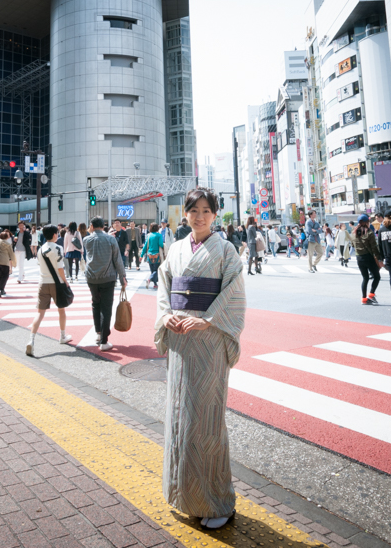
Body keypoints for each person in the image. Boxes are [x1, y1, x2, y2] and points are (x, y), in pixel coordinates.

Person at [154, 187, 245, 530]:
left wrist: (206, 320)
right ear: (185, 213)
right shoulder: (176, 248)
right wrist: (166, 316)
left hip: (208, 340)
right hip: (180, 341)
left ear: (215, 214)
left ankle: (217, 499)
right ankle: (181, 492)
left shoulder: (225, 250)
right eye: (194, 210)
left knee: (205, 419)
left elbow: (234, 293)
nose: (200, 216)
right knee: (179, 415)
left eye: (207, 210)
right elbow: (164, 286)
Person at [83, 217, 127, 352]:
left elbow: (90, 250)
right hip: (108, 277)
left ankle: (98, 333)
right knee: (106, 308)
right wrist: (122, 278)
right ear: (104, 226)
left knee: (95, 304)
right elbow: (118, 260)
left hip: (91, 277)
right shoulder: (111, 239)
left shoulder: (87, 240)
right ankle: (104, 341)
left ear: (91, 225)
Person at [27, 225, 72, 356]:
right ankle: (62, 336)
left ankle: (31, 340)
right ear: (54, 235)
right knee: (61, 310)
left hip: (43, 283)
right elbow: (60, 268)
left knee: (40, 313)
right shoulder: (58, 248)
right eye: (57, 233)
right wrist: (65, 281)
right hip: (56, 283)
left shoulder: (40, 249)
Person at [351, 215, 384, 305]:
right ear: (366, 222)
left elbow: (353, 245)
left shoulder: (353, 233)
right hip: (368, 258)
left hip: (359, 258)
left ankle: (364, 299)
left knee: (365, 278)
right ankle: (371, 294)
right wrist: (380, 259)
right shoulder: (369, 233)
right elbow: (374, 248)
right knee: (377, 277)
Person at [0, 229, 15, 297]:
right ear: (6, 237)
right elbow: (11, 254)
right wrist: (13, 262)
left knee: (0, 275)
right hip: (5, 262)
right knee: (5, 276)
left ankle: (1, 290)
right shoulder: (8, 244)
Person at [143, 222, 165, 289]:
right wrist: (164, 246)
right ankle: (149, 279)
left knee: (152, 270)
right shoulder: (159, 235)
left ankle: (155, 284)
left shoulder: (149, 235)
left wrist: (141, 255)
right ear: (157, 228)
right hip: (157, 255)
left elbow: (146, 246)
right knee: (157, 270)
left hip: (149, 255)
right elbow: (161, 244)